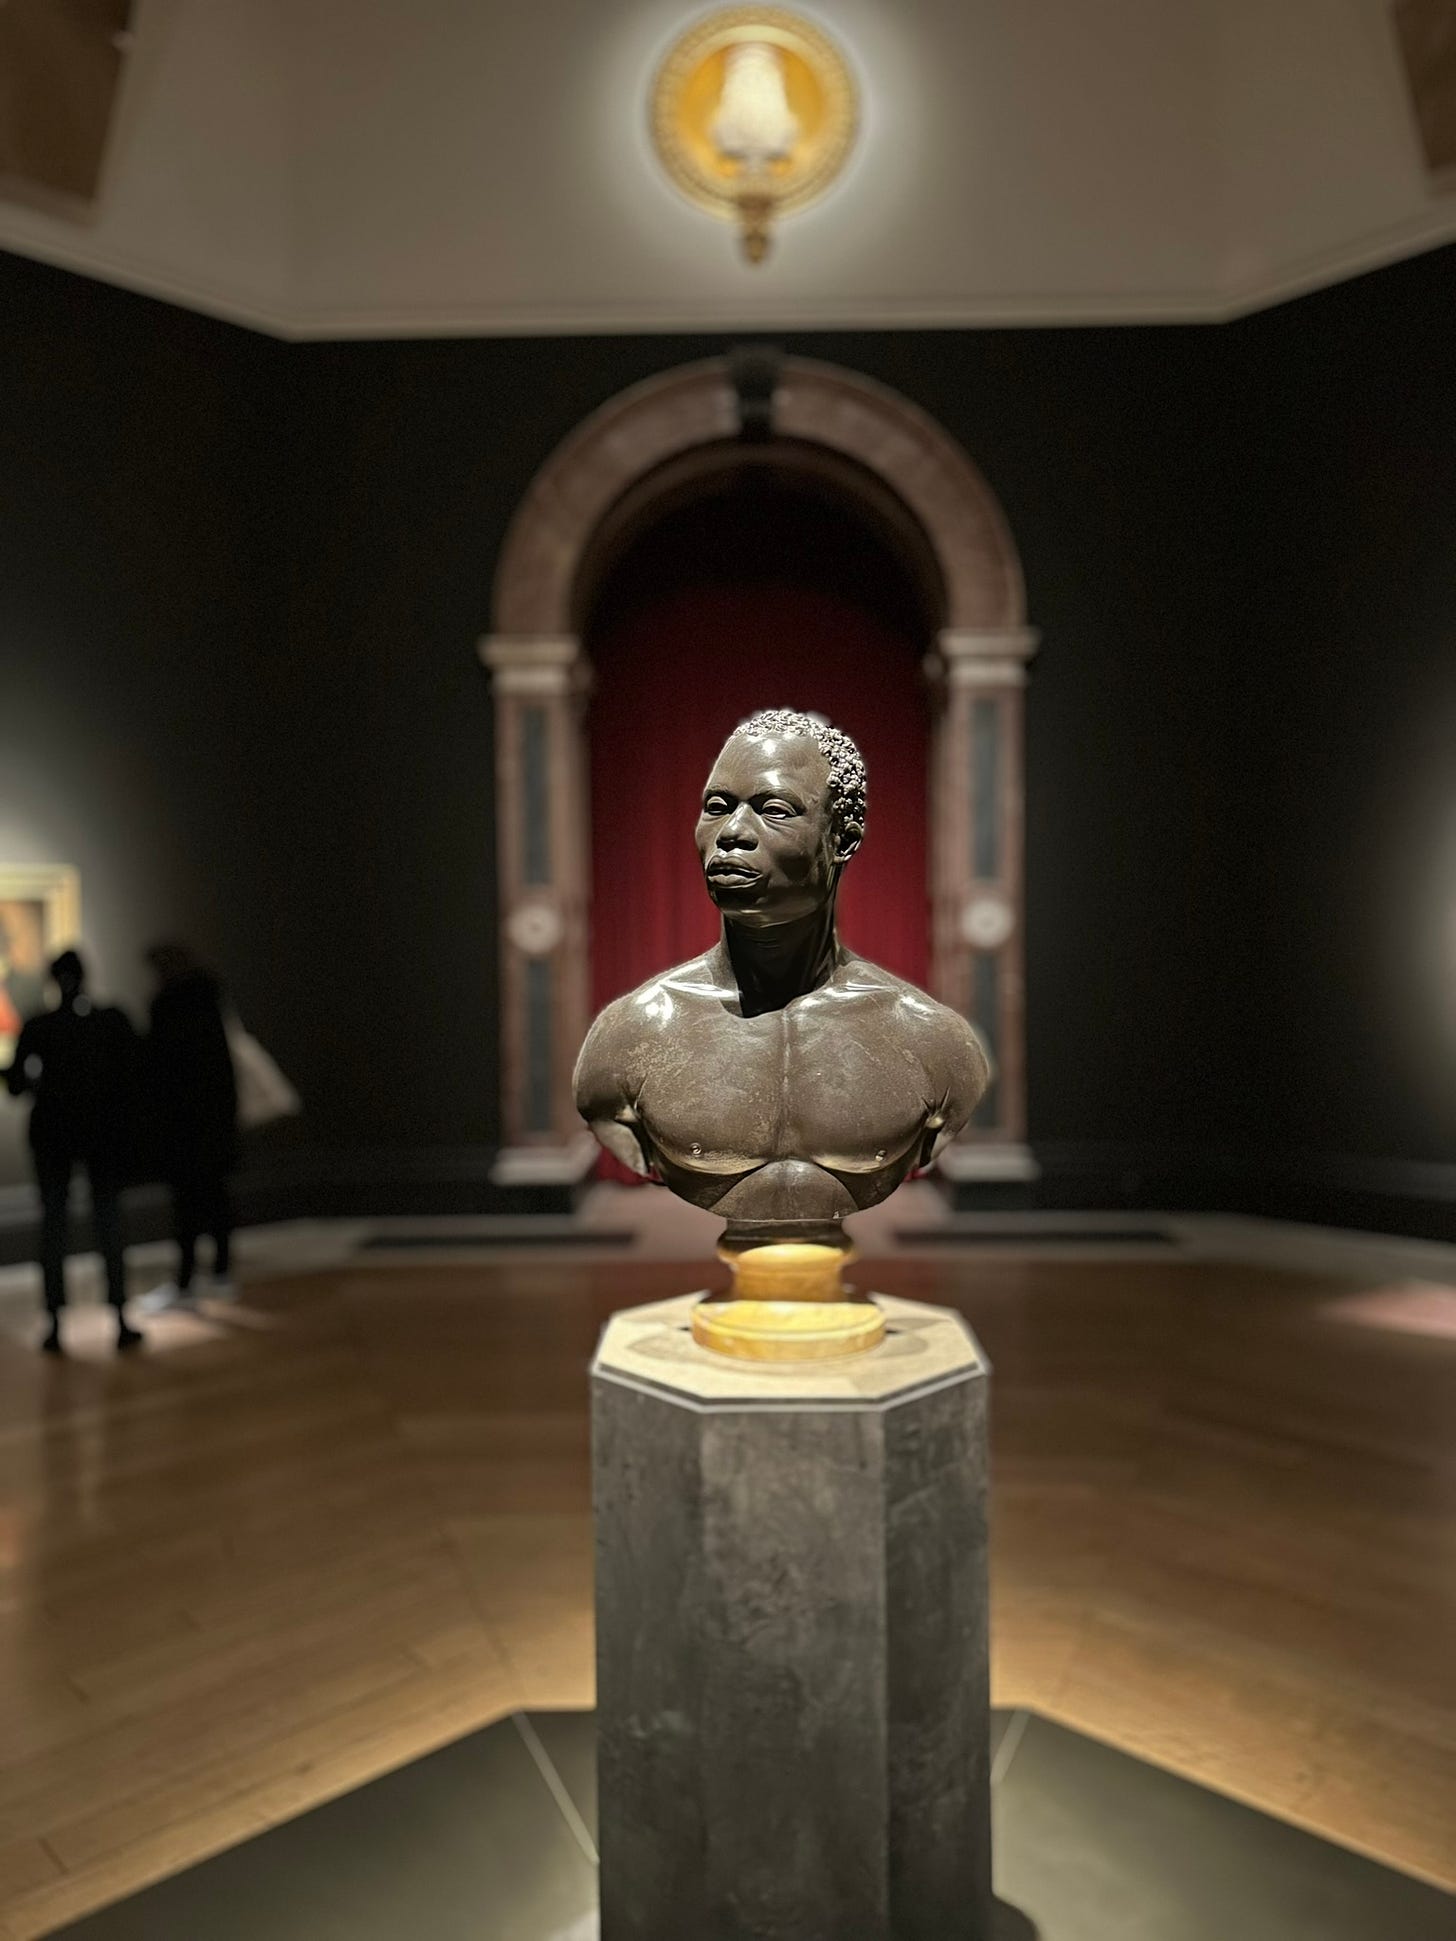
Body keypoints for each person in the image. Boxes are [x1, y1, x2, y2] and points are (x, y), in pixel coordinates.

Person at [574, 708, 989, 1255]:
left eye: (773, 810)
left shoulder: (933, 1043)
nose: (732, 834)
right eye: (716, 808)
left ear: (841, 838)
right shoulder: (630, 1036)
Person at [3, 949, 143, 1353]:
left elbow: (15, 1084)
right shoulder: (107, 1022)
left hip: (54, 1136)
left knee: (55, 1227)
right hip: (100, 1136)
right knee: (107, 1222)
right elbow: (130, 1074)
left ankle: (56, 1321)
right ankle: (118, 1314)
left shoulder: (40, 1027)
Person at [141, 943, 239, 1310]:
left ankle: (188, 1280)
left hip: (183, 1126)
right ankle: (220, 1272)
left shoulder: (168, 1008)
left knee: (188, 1206)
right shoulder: (209, 1004)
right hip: (212, 1122)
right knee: (215, 1198)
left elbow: (158, 1071)